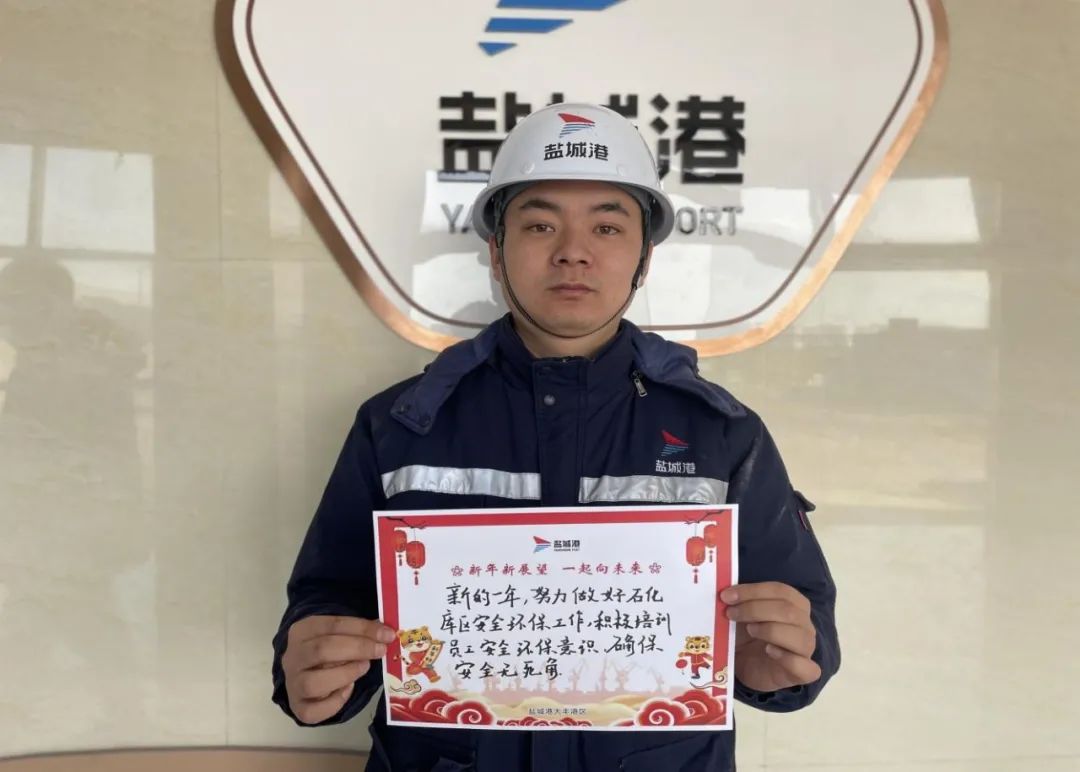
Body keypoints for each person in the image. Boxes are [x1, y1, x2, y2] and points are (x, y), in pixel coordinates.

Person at [272, 103, 840, 771]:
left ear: (644, 258)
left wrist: (778, 664)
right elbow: (330, 602)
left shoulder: (721, 433)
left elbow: (803, 626)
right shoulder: (399, 425)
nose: (573, 251)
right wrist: (316, 672)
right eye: (540, 224)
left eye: (607, 226)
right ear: (496, 251)